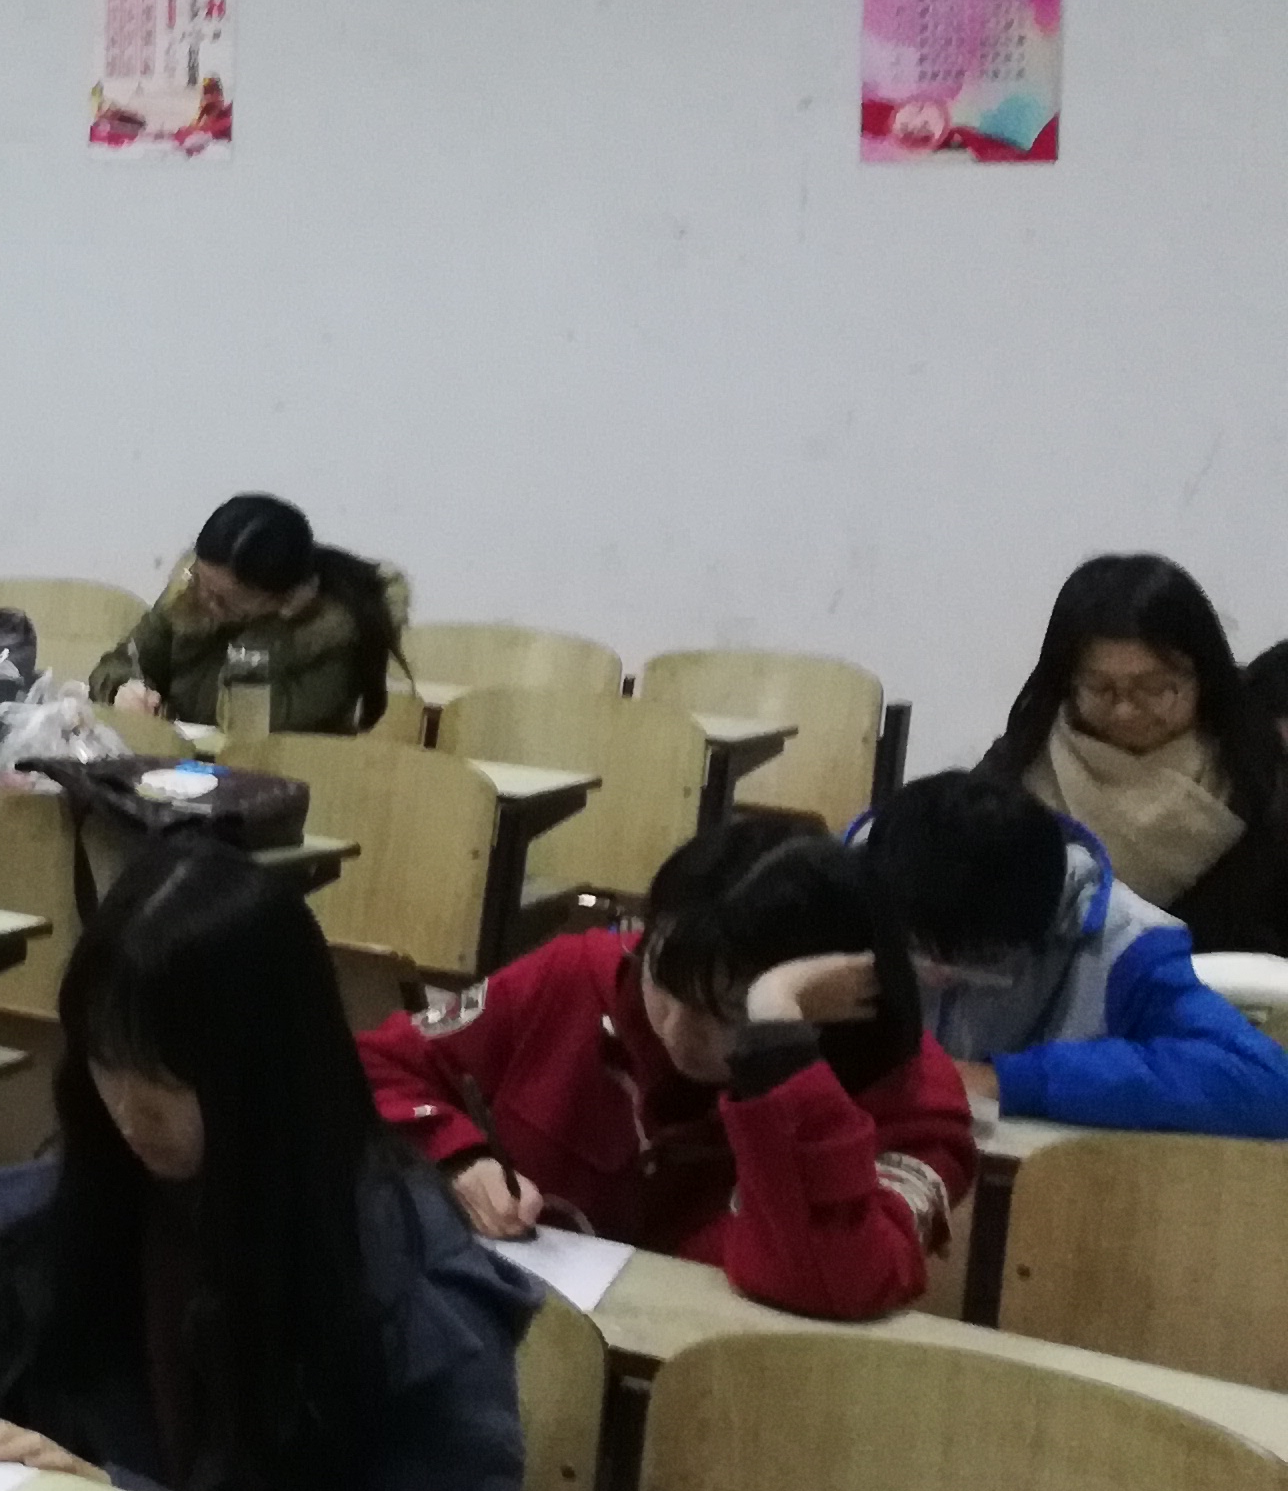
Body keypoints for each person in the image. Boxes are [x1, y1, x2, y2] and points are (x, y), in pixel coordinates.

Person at [0, 840, 531, 1491]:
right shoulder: (95, 1186)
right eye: (105, 1062)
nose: (127, 1111)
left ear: (265, 1072)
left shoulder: (407, 1267)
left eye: (164, 1078)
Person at [359, 817, 969, 1318]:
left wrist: (779, 1045)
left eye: (726, 1012)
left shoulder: (912, 1098)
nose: (677, 1031)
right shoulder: (578, 978)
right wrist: (456, 1157)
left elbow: (834, 1282)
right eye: (662, 981)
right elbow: (374, 1066)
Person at [864, 770, 1288, 1137]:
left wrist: (1009, 1079)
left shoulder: (1122, 944)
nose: (936, 975)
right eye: (914, 946)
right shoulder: (855, 883)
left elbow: (1267, 1085)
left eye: (981, 959)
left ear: (1043, 923)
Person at [977, 554, 1286, 959]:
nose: (1124, 710)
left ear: (1204, 677)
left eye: (1155, 688)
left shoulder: (1259, 777)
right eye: (1099, 688)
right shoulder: (1017, 774)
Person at [91, 493, 410, 734]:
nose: (207, 602)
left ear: (285, 598)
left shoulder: (335, 641)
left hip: (282, 781)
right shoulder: (189, 597)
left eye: (225, 600)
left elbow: (247, 729)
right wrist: (122, 690)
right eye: (199, 580)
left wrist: (265, 634)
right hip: (180, 770)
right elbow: (119, 663)